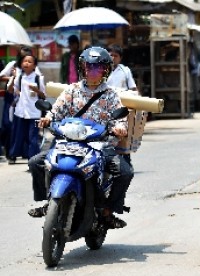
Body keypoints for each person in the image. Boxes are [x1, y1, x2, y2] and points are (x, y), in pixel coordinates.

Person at [28, 47, 133, 229]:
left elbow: (121, 120)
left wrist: (119, 128)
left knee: (125, 172)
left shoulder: (111, 95)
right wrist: (47, 119)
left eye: (98, 68)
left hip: (99, 144)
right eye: (89, 67)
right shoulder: (71, 90)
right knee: (35, 163)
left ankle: (108, 211)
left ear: (105, 70)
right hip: (67, 142)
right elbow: (55, 111)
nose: (93, 72)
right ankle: (48, 201)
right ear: (83, 69)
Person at [0, 46, 42, 161]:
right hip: (14, 102)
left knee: (30, 133)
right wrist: (12, 77)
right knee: (10, 127)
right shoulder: (13, 66)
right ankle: (12, 153)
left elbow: (40, 87)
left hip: (30, 106)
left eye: (28, 59)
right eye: (24, 58)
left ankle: (30, 155)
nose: (26, 62)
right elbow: (3, 78)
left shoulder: (34, 72)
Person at [8, 53, 46, 164]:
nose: (26, 63)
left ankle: (33, 160)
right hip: (21, 111)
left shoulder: (38, 78)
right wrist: (12, 83)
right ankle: (13, 155)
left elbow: (43, 95)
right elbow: (13, 90)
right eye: (25, 61)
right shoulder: (20, 77)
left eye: (30, 62)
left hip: (34, 113)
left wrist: (37, 90)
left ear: (34, 66)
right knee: (18, 135)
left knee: (33, 137)